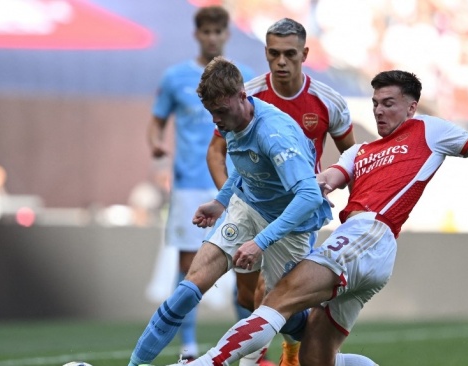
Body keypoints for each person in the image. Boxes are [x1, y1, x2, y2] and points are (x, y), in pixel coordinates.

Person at [187, 70, 468, 366]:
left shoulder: (428, 130)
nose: (379, 110)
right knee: (315, 356)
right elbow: (324, 180)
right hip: (361, 244)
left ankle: (206, 363)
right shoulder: (358, 152)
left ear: (411, 106)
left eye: (388, 103)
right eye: (375, 103)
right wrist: (299, 183)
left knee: (279, 296)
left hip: (371, 233)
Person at [128, 56, 333, 366]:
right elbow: (245, 165)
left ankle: (332, 351)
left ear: (242, 96)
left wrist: (261, 241)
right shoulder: (232, 119)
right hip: (247, 207)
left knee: (285, 317)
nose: (216, 122)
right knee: (188, 288)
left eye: (220, 112)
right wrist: (221, 201)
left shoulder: (274, 135)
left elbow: (308, 197)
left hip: (290, 226)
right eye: (211, 113)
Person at [206, 17, 355, 366]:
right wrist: (230, 200)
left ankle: (273, 357)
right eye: (274, 54)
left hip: (296, 213)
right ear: (266, 53)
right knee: (247, 294)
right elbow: (216, 151)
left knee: (275, 292)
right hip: (252, 207)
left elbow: (352, 155)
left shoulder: (327, 101)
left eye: (290, 54)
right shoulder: (247, 94)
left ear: (305, 53)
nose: (281, 62)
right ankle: (287, 346)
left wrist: (340, 191)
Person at [144, 5, 254, 361]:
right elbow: (156, 120)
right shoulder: (176, 77)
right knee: (191, 268)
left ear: (227, 35)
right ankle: (188, 349)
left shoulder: (245, 78)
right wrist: (155, 143)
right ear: (197, 35)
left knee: (244, 265)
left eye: (218, 32)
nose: (212, 38)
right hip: (190, 184)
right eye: (206, 32)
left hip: (233, 182)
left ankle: (248, 346)